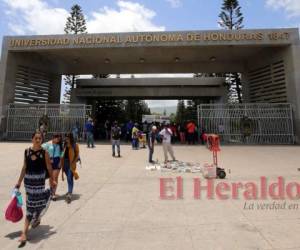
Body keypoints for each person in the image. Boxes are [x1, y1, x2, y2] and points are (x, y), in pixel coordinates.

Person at [15, 131, 56, 247]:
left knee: (37, 204)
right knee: (29, 206)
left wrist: (52, 180)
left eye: (40, 138)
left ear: (42, 140)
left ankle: (36, 217)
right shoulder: (27, 151)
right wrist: (19, 182)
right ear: (32, 139)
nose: (38, 140)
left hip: (39, 184)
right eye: (36, 138)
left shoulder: (44, 153)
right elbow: (24, 168)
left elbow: (49, 167)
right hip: (29, 184)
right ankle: (24, 233)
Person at [42, 134, 63, 201]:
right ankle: (51, 192)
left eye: (59, 139)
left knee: (55, 177)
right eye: (57, 138)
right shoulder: (48, 143)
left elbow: (62, 153)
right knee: (51, 178)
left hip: (57, 161)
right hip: (50, 162)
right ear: (53, 138)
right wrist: (47, 157)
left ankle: (53, 193)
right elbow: (41, 148)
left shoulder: (60, 145)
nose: (58, 140)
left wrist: (60, 161)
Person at [61, 133, 80, 204]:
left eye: (68, 137)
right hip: (65, 163)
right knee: (68, 178)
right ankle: (69, 190)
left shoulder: (75, 145)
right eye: (65, 137)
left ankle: (69, 193)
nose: (66, 138)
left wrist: (74, 162)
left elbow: (77, 154)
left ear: (71, 137)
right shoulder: (64, 144)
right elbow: (62, 153)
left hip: (71, 163)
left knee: (69, 177)